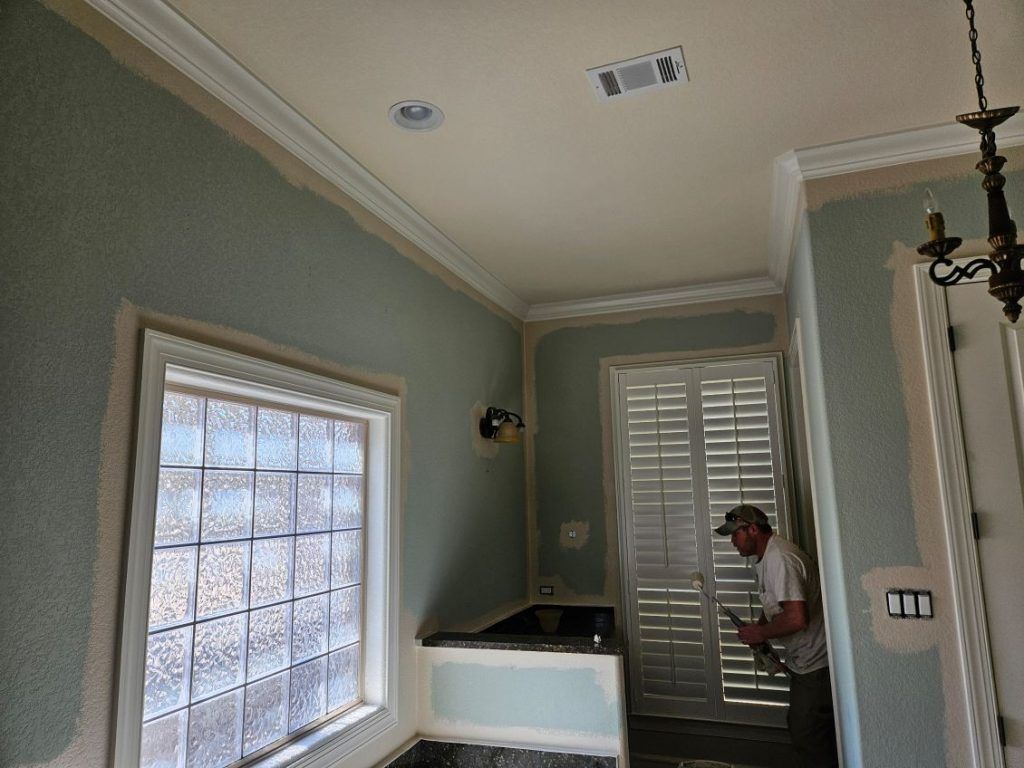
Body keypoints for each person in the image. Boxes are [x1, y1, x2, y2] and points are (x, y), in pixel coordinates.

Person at [714, 503, 838, 768]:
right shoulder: (767, 558)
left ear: (753, 529)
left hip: (817, 664)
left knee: (808, 734)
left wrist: (759, 632)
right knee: (806, 731)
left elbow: (796, 618)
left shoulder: (780, 558)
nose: (733, 541)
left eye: (735, 534)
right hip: (805, 661)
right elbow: (777, 603)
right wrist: (761, 631)